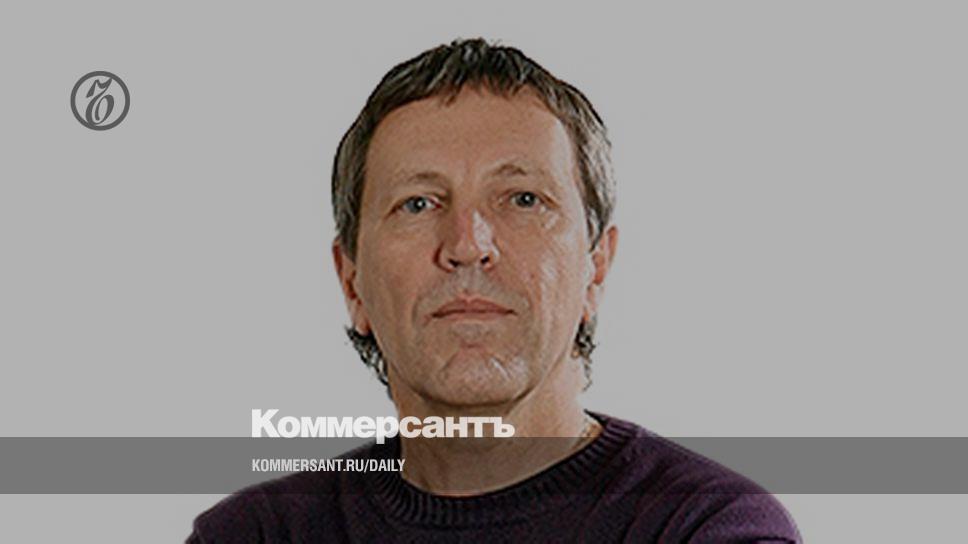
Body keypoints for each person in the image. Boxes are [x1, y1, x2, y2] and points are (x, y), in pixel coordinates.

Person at [187, 38, 802, 543]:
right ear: (352, 282)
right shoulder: (254, 535)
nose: (468, 244)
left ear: (596, 269)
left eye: (523, 199)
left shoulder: (706, 528)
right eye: (418, 203)